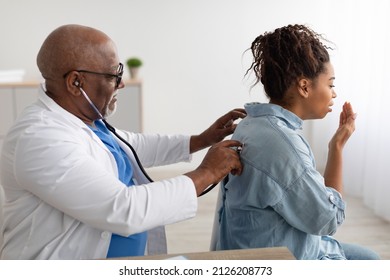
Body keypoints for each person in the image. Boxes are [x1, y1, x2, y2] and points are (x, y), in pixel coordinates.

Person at [0, 24, 246, 260]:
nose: (122, 83)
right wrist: (206, 173)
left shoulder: (83, 120)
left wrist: (201, 140)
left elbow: (131, 146)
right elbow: (123, 209)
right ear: (76, 83)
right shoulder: (39, 138)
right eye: (114, 74)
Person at [214, 24, 380, 260]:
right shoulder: (282, 145)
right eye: (330, 84)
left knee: (366, 255)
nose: (334, 93)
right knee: (371, 260)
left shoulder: (251, 124)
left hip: (267, 245)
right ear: (304, 87)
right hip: (279, 260)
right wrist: (337, 148)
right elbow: (328, 220)